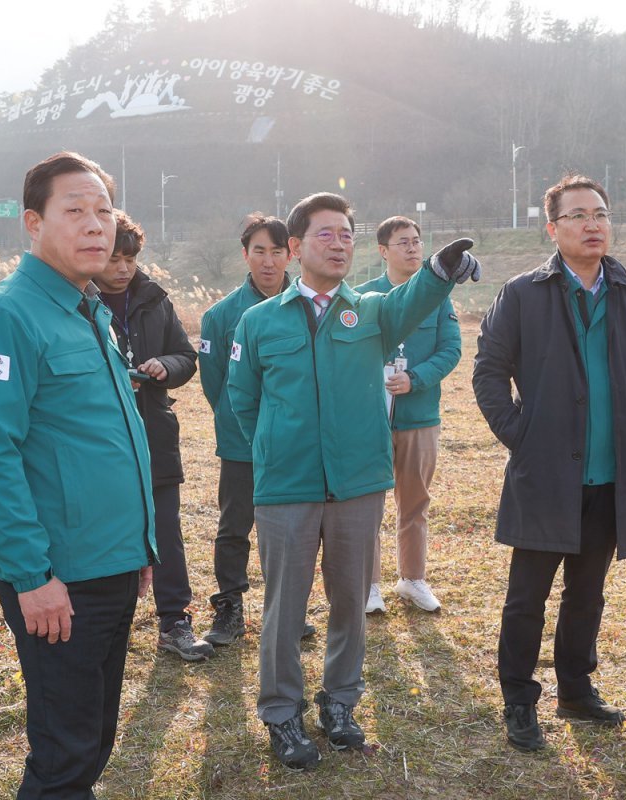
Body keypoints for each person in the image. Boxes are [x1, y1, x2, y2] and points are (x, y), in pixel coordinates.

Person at [228, 192, 479, 770]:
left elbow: (413, 298)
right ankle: (281, 713)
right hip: (286, 487)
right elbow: (242, 400)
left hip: (357, 483)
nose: (339, 243)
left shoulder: (371, 311)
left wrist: (439, 270)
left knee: (350, 601)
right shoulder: (259, 320)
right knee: (284, 608)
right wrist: (278, 446)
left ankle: (339, 702)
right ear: (296, 247)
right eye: (326, 233)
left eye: (347, 234)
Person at [0, 152, 158, 798]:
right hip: (59, 576)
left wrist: (139, 548)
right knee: (65, 753)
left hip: (111, 561)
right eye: (75, 210)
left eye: (104, 210)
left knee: (92, 739)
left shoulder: (87, 309)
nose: (95, 225)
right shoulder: (6, 315)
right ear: (33, 223)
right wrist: (32, 576)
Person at [472, 175, 626, 753]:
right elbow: (489, 370)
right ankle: (518, 700)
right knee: (526, 598)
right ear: (552, 228)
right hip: (547, 473)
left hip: (613, 475)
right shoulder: (523, 293)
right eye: (578, 215)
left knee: (587, 593)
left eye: (601, 213)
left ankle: (576, 691)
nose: (593, 224)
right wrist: (520, 434)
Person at [92, 209, 213, 661]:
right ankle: (106, 624)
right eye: (114, 259)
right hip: (100, 440)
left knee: (166, 530)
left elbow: (185, 356)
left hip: (154, 433)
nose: (123, 268)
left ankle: (174, 620)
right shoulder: (76, 302)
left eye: (130, 259)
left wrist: (164, 367)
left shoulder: (155, 299)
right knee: (104, 529)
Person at [355, 216, 460, 614]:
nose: (413, 248)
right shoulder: (363, 297)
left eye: (417, 241)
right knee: (366, 504)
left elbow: (451, 349)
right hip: (371, 418)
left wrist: (415, 379)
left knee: (415, 502)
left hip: (419, 417)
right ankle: (369, 585)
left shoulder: (439, 296)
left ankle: (412, 578)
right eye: (403, 242)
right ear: (383, 251)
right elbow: (349, 352)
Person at [198, 213, 292, 645]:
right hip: (240, 441)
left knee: (291, 528)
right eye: (259, 251)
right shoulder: (220, 316)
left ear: (291, 254)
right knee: (235, 525)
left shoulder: (309, 305)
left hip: (295, 440)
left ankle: (287, 609)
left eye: (277, 251)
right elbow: (215, 382)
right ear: (245, 255)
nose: (268, 261)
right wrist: (240, 421)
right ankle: (230, 608)